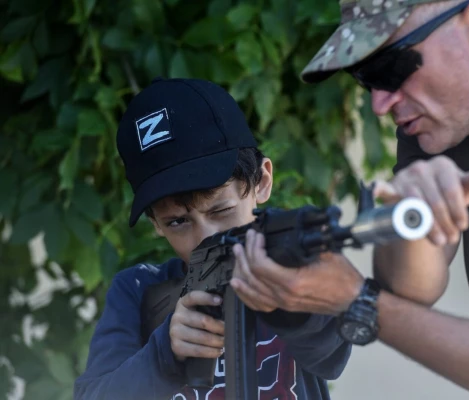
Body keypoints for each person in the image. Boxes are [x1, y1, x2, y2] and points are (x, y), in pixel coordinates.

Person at [229, 0, 469, 398]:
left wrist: (358, 301)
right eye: (365, 78)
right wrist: (415, 211)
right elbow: (409, 290)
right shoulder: (439, 121)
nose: (379, 103)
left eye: (391, 68)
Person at [73, 77, 351, 400]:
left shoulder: (295, 260)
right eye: (178, 221)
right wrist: (164, 354)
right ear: (156, 224)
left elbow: (332, 356)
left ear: (261, 182)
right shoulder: (136, 291)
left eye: (221, 210)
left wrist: (290, 302)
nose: (206, 238)